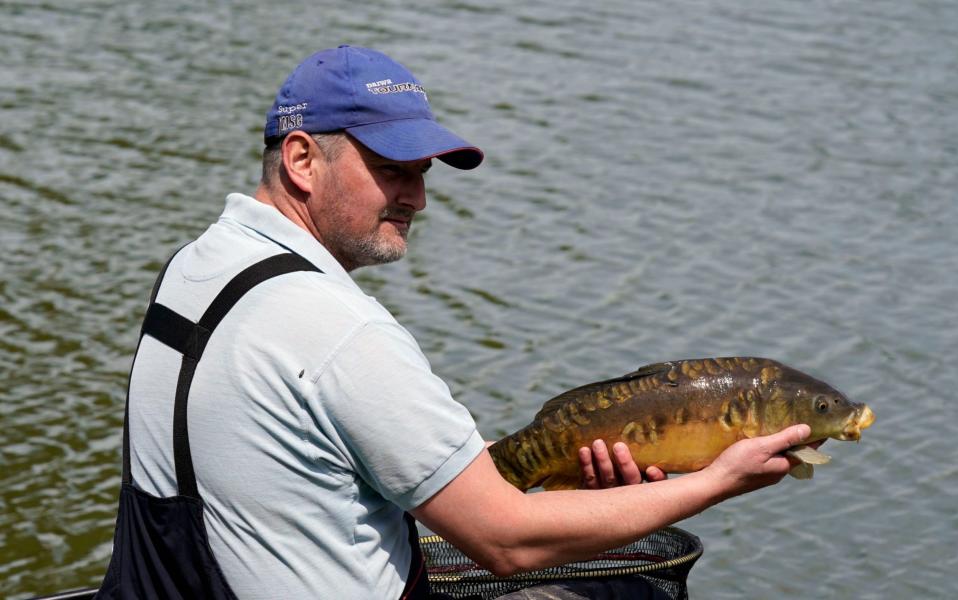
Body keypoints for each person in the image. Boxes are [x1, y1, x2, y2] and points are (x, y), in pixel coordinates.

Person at [97, 45, 815, 599]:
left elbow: (331, 439)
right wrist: (721, 478)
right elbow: (505, 543)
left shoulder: (202, 265)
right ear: (302, 159)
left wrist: (557, 458)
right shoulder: (340, 332)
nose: (417, 198)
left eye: (424, 173)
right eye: (393, 169)